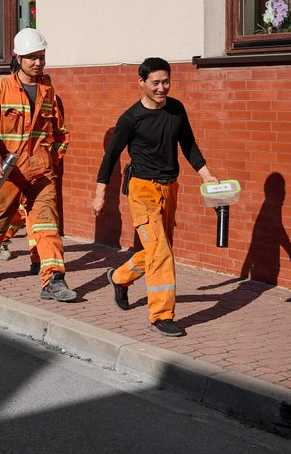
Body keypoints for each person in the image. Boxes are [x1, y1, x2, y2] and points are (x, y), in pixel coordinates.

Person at [92, 56, 218, 337]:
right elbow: (111, 155)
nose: (162, 88)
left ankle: (120, 277)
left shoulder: (176, 110)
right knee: (160, 252)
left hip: (169, 188)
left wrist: (206, 175)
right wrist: (100, 192)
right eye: (156, 83)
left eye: (166, 81)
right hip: (142, 190)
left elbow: (188, 144)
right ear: (142, 83)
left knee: (156, 250)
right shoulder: (130, 119)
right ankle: (161, 315)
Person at [0, 28, 74, 302]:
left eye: (41, 56)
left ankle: (53, 279)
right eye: (31, 57)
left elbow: (61, 132)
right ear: (18, 58)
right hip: (8, 171)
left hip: (41, 172)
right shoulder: (0, 89)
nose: (38, 62)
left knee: (46, 224)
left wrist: (53, 158)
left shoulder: (49, 92)